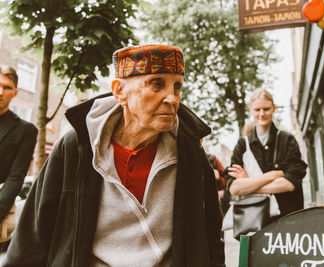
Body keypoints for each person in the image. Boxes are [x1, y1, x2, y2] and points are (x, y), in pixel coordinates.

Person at [3, 45, 224, 266]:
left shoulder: (191, 153)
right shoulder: (75, 148)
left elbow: (211, 237)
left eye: (177, 87)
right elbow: (31, 238)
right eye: (156, 84)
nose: (172, 99)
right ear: (119, 91)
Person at [227, 88, 307, 225]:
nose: (262, 114)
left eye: (266, 109)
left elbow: (290, 184)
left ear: (274, 108)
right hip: (254, 224)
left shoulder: (287, 140)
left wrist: (249, 184)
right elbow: (234, 188)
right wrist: (273, 175)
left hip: (287, 221)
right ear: (250, 110)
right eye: (257, 110)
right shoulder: (242, 145)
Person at [0, 65, 37, 231]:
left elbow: (15, 177)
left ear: (15, 92)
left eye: (7, 87)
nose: (1, 92)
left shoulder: (26, 131)